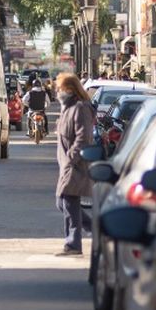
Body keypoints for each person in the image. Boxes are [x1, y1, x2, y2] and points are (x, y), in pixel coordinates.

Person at [53, 73, 93, 256]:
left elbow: (83, 137)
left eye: (60, 88)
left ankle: (73, 244)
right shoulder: (67, 107)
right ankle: (94, 228)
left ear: (69, 89)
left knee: (67, 201)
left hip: (75, 165)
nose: (58, 92)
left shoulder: (80, 108)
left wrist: (71, 157)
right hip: (66, 164)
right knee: (63, 202)